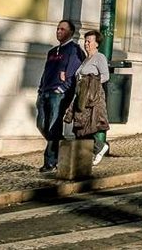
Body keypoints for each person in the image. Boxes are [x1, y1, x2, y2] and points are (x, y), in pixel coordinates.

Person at [36, 19, 84, 172]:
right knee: (41, 124)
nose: (58, 31)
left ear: (71, 32)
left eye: (62, 29)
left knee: (53, 126)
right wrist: (40, 89)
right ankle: (63, 147)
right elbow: (46, 72)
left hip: (59, 95)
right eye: (58, 28)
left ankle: (50, 162)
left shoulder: (74, 50)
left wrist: (62, 88)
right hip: (45, 92)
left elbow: (74, 74)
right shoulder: (52, 52)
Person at [72, 29, 113, 165]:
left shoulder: (99, 57)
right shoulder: (86, 60)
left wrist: (91, 84)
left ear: (97, 44)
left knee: (85, 127)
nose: (86, 44)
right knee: (80, 128)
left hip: (91, 98)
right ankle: (86, 157)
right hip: (81, 96)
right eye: (85, 41)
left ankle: (99, 147)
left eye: (89, 41)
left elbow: (105, 76)